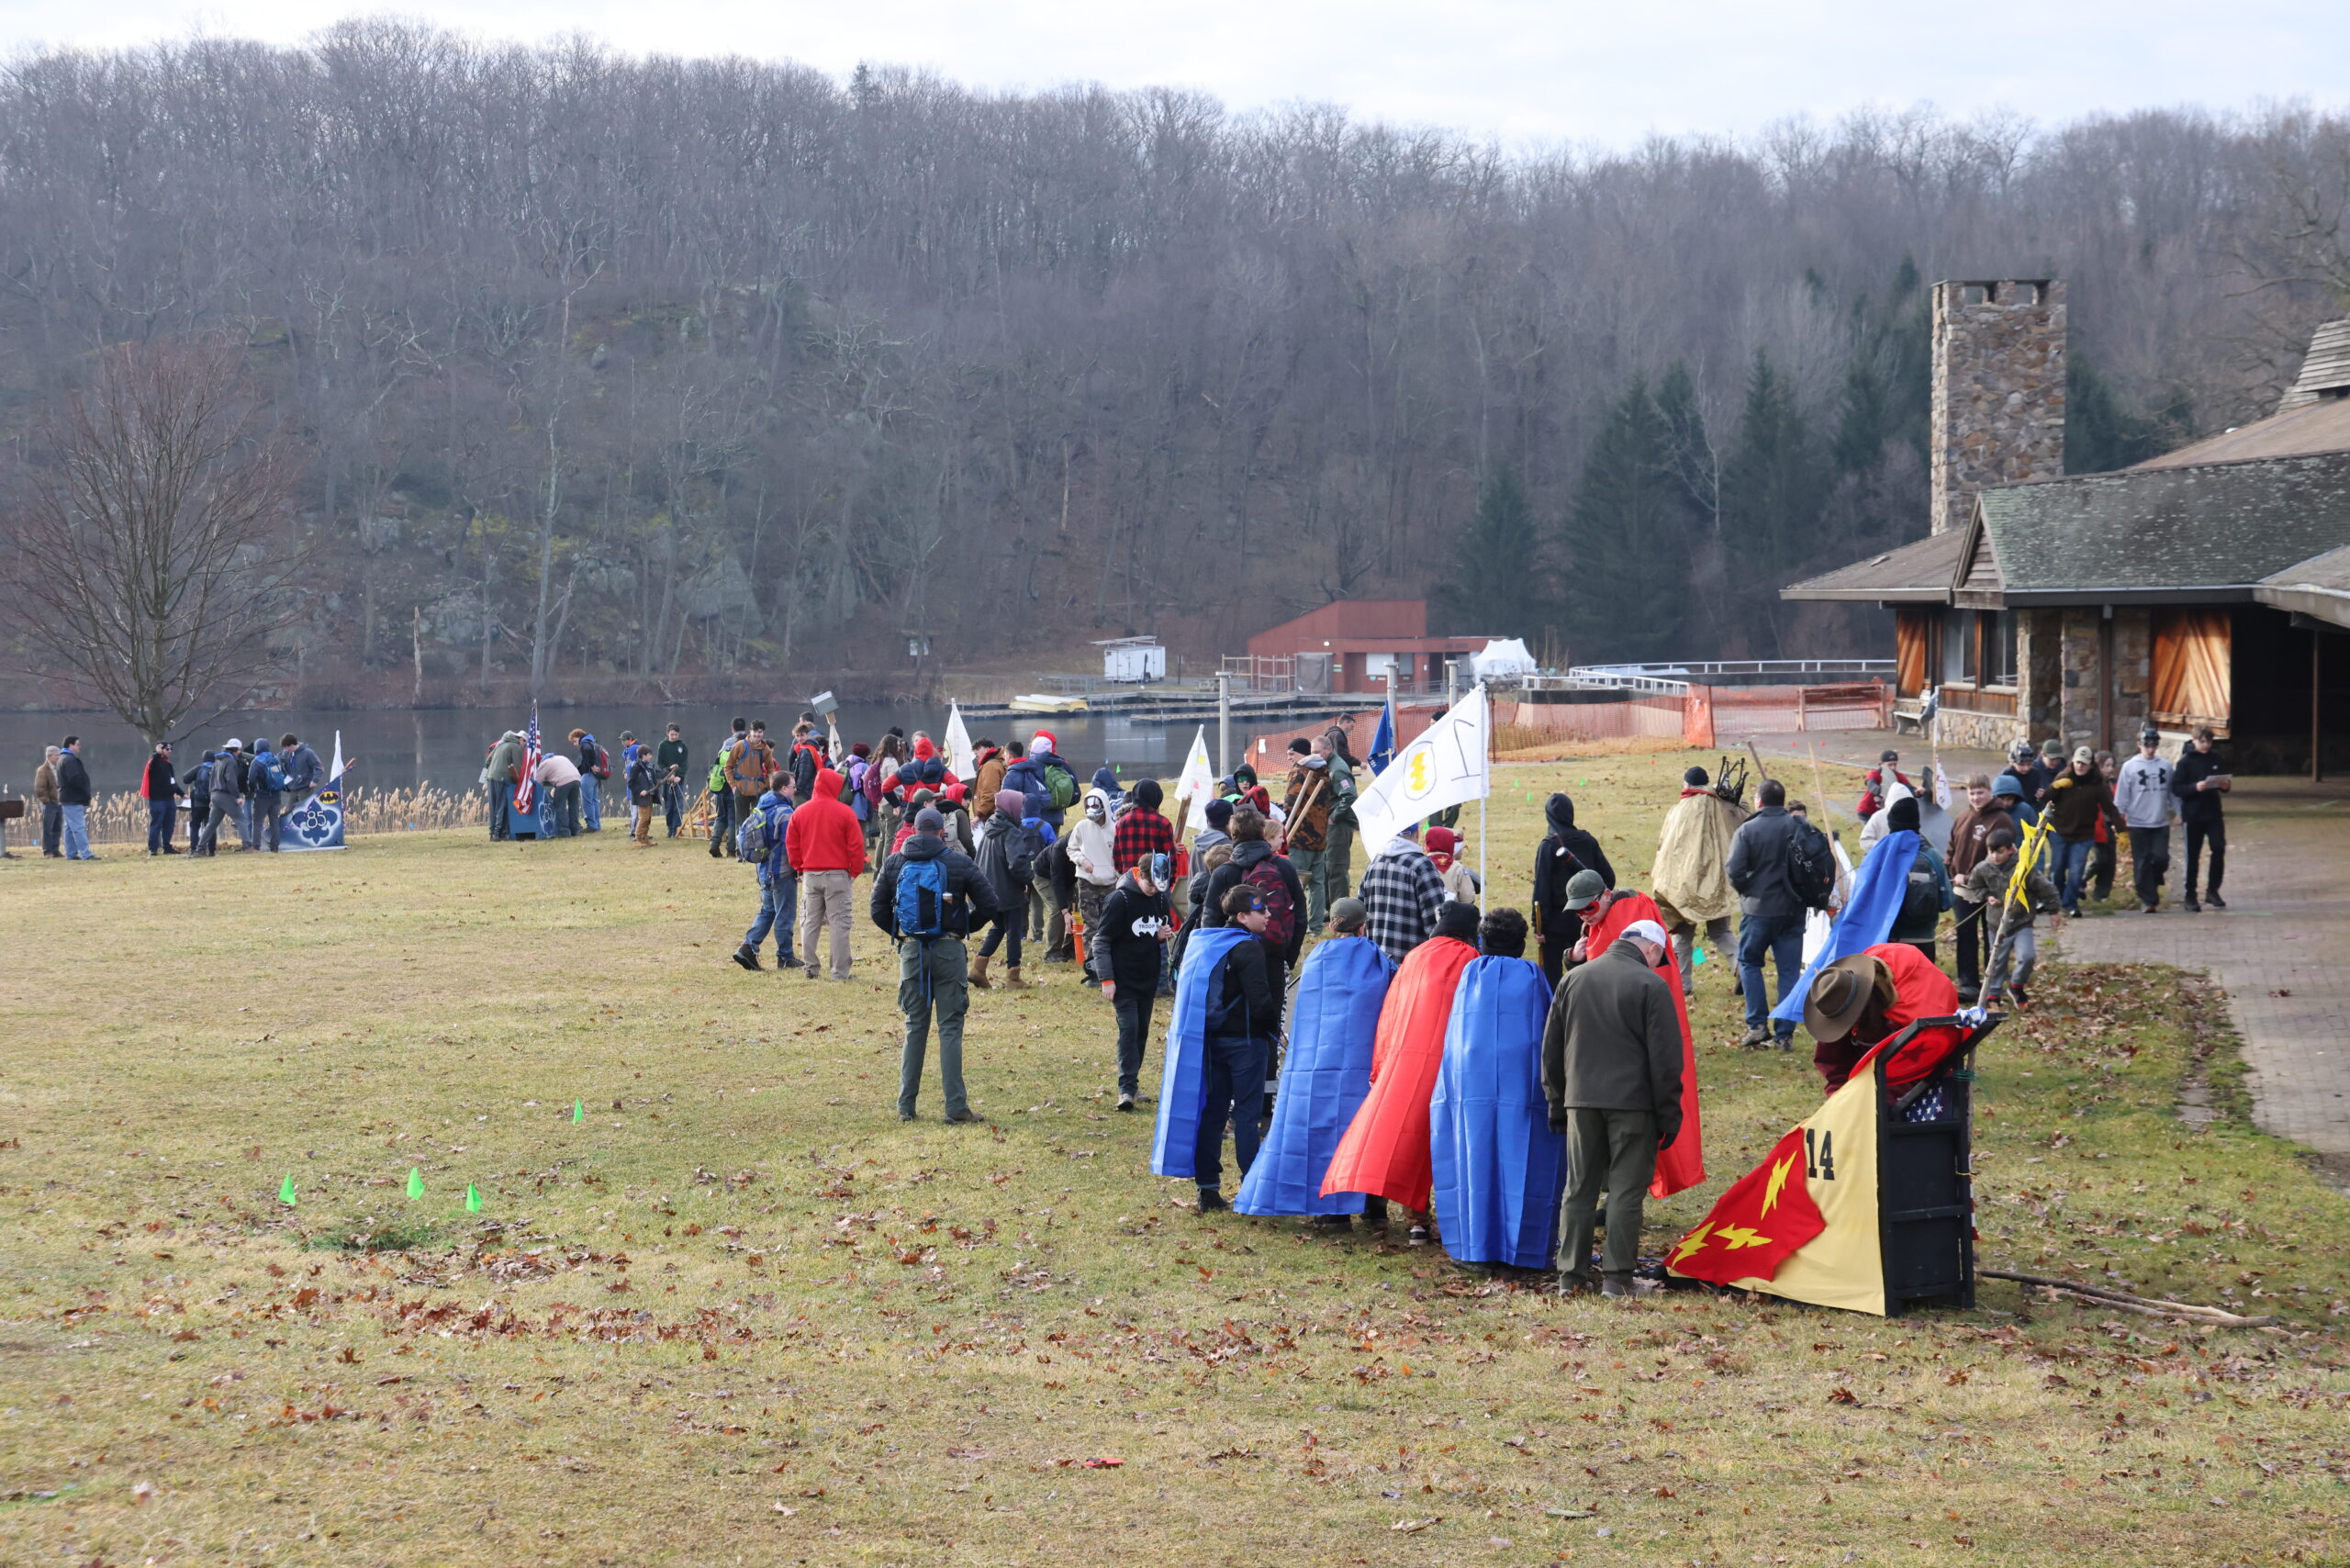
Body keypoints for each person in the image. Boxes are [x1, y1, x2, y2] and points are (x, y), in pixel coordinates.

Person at [1320, 901, 1483, 1244]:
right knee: (1450, 1143)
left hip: (1406, 1058)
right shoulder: (1470, 960)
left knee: (1407, 1137)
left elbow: (1392, 1009)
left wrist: (1381, 1062)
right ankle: (1454, 1223)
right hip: (1452, 1062)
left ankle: (1416, 1220)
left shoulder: (1417, 956)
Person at [1234, 896, 1393, 1222]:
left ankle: (1328, 1209)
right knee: (1366, 1133)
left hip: (1316, 1064)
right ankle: (1372, 1206)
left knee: (1319, 1133)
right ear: (1364, 926)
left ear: (1332, 925)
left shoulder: (1318, 958)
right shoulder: (1377, 961)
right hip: (1361, 1068)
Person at [1544, 917, 1682, 1297]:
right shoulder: (1651, 985)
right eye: (1660, 958)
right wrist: (1669, 1115)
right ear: (1652, 949)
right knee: (1624, 1191)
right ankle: (1617, 1279)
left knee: (1578, 1189)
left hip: (1580, 1101)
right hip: (1633, 1106)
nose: (1658, 965)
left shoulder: (1574, 979)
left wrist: (1557, 1103)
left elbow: (1551, 1049)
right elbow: (1667, 1061)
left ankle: (1570, 1277)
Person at [1428, 908, 1563, 1271]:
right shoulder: (1534, 978)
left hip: (1471, 1084)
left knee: (1475, 1160)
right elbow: (1549, 1036)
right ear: (1521, 944)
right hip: (1523, 1085)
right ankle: (1524, 1249)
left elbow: (1455, 1036)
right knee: (1526, 1158)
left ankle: (1475, 1246)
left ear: (1483, 941)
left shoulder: (1471, 974)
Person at [1155, 885, 1285, 1213]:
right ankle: (1251, 1188)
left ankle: (1207, 1189)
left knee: (1212, 1114)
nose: (1268, 915)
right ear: (1242, 916)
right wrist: (1274, 1030)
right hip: (1246, 1044)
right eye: (1261, 911)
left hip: (1209, 1042)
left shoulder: (1204, 942)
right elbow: (1261, 1002)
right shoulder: (1249, 949)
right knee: (1246, 1115)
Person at [871, 806, 998, 1124]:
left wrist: (901, 935)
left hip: (913, 951)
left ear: (914, 829)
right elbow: (991, 904)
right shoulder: (958, 861)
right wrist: (966, 924)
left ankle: (906, 1107)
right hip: (949, 951)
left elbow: (876, 909)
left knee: (915, 1026)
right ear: (942, 831)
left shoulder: (895, 861)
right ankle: (955, 1107)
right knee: (951, 1028)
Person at [1802, 943, 1964, 1093]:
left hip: (1918, 1078)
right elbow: (1835, 1067)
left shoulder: (1919, 1005)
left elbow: (1926, 1061)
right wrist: (1842, 1100)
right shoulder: (1838, 997)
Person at [1726, 778, 1808, 1049]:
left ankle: (1757, 1025)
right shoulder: (1799, 828)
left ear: (1759, 800)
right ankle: (1785, 1034)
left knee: (1749, 962)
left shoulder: (1748, 830)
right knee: (1788, 972)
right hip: (1793, 909)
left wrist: (1748, 890)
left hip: (1758, 910)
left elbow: (1734, 871)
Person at [1650, 766, 1745, 996]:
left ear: (1686, 785)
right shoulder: (1724, 806)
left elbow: (1665, 847)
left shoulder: (1677, 811)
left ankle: (1682, 986)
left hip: (1683, 887)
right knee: (1720, 932)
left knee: (1682, 935)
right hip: (1719, 885)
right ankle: (1742, 966)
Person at [1098, 852, 1176, 1110]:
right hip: (1123, 979)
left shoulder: (1161, 898)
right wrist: (1107, 979)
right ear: (1140, 875)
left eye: (1159, 886)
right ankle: (1126, 1090)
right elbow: (1102, 940)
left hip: (1148, 978)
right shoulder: (1119, 900)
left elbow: (1145, 936)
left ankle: (1132, 1083)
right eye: (1150, 885)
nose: (1154, 891)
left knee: (1141, 1033)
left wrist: (1159, 936)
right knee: (1129, 1030)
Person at [1964, 827, 2063, 1010]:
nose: (1995, 856)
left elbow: (2046, 888)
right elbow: (1974, 887)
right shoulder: (1983, 868)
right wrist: (1987, 896)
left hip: (2021, 921)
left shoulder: (2023, 867)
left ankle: (2016, 986)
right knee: (1997, 960)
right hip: (1996, 923)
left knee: (2027, 956)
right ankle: (1993, 993)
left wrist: (2053, 910)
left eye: (2000, 852)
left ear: (2010, 850)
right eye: (1991, 852)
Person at [786, 764, 867, 981]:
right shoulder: (845, 813)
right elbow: (857, 846)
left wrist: (799, 867)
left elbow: (792, 844)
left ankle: (810, 968)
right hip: (838, 875)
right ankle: (839, 972)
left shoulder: (800, 812)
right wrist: (855, 871)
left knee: (809, 922)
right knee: (839, 924)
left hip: (811, 875)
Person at [1530, 793, 1615, 986]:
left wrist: (1539, 925)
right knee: (1586, 966)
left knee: (1552, 974)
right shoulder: (1588, 840)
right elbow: (1608, 878)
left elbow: (1541, 888)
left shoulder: (1548, 846)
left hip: (1556, 922)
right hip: (1588, 915)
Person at [1944, 773, 2014, 1003]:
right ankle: (1968, 983)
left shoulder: (2000, 819)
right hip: (1962, 888)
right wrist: (1950, 870)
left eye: (1980, 792)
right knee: (1965, 934)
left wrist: (1974, 876)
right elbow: (1952, 846)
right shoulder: (1963, 816)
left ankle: (1992, 982)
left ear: (1989, 792)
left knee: (1992, 935)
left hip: (1990, 889)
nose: (1976, 797)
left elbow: (1998, 857)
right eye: (1972, 792)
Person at [969, 788, 1041, 990]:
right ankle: (1013, 976)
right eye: (1019, 805)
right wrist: (1027, 880)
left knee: (1000, 926)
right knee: (1014, 930)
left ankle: (978, 969)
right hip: (1008, 891)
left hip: (989, 890)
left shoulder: (991, 826)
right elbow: (1017, 863)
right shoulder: (1010, 831)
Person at [1359, 821, 1448, 968]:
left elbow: (1360, 912)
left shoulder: (1374, 863)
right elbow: (1436, 922)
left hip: (1376, 964)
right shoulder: (1422, 865)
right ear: (1417, 833)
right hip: (1410, 967)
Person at [730, 786, 798, 970]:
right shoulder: (784, 812)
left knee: (768, 911)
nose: (795, 789)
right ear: (784, 788)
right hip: (781, 872)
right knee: (785, 913)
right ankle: (785, 957)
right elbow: (789, 845)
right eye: (792, 785)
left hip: (764, 870)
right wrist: (797, 868)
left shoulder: (762, 806)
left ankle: (747, 948)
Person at [2111, 725, 2177, 913]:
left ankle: (2155, 880)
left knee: (2160, 858)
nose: (2150, 749)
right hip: (2137, 822)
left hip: (2160, 822)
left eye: (2154, 745)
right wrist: (2119, 821)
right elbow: (2122, 795)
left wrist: (2178, 811)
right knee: (2142, 861)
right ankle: (2148, 899)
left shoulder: (2165, 766)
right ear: (2139, 744)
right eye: (2147, 745)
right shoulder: (2130, 767)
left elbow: (2172, 793)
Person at [1879, 795, 1952, 960]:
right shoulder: (1931, 855)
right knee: (1923, 985)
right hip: (1924, 938)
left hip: (1890, 938)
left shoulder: (1882, 854)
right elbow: (1947, 901)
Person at [2043, 745, 2112, 916]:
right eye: (2077, 762)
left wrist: (2120, 828)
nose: (2080, 766)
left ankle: (2069, 904)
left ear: (2090, 765)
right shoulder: (2063, 777)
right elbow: (2046, 798)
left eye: (2084, 763)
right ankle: (2057, 900)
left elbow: (2109, 806)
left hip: (2083, 835)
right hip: (2060, 831)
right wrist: (2056, 786)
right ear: (2072, 762)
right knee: (2057, 868)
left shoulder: (2097, 784)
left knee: (2076, 871)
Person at [1277, 737, 1337, 930]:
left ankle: (1293, 923)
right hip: (1319, 837)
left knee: (1294, 882)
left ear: (1303, 753)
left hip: (1299, 838)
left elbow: (1290, 804)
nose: (1289, 758)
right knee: (1317, 884)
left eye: (1292, 754)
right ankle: (1316, 926)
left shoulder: (1299, 771)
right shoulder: (1324, 771)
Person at [2173, 724, 2230, 912]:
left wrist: (2224, 785)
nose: (2206, 745)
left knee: (2219, 847)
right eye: (2202, 741)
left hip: (2213, 813)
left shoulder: (2216, 758)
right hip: (2193, 814)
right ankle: (2190, 895)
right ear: (2195, 741)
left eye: (2209, 741)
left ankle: (2212, 890)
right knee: (2193, 855)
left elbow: (2225, 783)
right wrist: (2194, 788)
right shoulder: (2185, 762)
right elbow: (2177, 788)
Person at [1069, 786, 1121, 983]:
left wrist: (1116, 874)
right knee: (1091, 925)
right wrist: (1083, 862)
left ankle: (1110, 965)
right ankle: (1092, 969)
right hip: (1087, 880)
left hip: (1110, 882)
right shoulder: (1081, 827)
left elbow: (1119, 855)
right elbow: (1071, 849)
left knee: (1109, 925)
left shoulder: (1115, 829)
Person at [1316, 729, 1360, 929]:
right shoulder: (1326, 765)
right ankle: (1330, 909)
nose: (1314, 756)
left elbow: (1349, 795)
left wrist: (1335, 816)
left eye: (1317, 752)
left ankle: (1341, 911)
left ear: (1328, 750)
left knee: (1336, 867)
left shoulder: (1339, 769)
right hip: (1328, 824)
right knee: (1326, 866)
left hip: (1339, 824)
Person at [1111, 777, 1175, 873]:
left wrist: (1125, 874)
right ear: (1157, 797)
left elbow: (1117, 858)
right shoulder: (1163, 823)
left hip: (1129, 880)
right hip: (1154, 881)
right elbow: (1170, 860)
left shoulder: (1122, 822)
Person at [708, 718, 749, 857]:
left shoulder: (726, 744)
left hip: (720, 787)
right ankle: (731, 850)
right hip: (734, 788)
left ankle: (714, 845)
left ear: (732, 729)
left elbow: (717, 762)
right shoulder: (747, 745)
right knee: (733, 819)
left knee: (721, 817)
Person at [55, 736, 95, 859]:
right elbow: (75, 779)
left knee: (69, 827)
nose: (79, 747)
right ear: (70, 745)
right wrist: (83, 791)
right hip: (73, 798)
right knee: (78, 826)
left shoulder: (62, 758)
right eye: (77, 744)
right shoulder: (69, 760)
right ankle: (86, 854)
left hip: (67, 798)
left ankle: (71, 853)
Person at [140, 741, 182, 856]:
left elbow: (173, 782)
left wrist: (182, 794)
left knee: (169, 824)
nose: (170, 751)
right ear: (161, 750)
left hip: (169, 799)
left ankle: (167, 847)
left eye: (171, 749)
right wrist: (157, 754)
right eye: (167, 749)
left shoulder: (168, 764)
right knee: (157, 824)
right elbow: (151, 766)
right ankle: (153, 848)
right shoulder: (153, 761)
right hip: (157, 800)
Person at [535, 747, 585, 837]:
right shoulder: (561, 757)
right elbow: (557, 774)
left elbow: (537, 782)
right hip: (576, 779)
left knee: (559, 807)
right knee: (573, 806)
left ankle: (564, 832)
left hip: (563, 782)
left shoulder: (544, 764)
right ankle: (576, 830)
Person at [247, 736, 285, 852]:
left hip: (262, 795)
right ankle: (275, 846)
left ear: (256, 748)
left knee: (258, 821)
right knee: (274, 821)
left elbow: (252, 780)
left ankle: (256, 846)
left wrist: (252, 790)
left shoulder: (256, 762)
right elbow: (284, 773)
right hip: (276, 795)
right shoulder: (276, 758)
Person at [1426, 825, 1481, 902]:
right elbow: (1468, 898)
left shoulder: (1419, 865)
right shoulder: (1457, 867)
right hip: (1452, 913)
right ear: (1450, 842)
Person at [1856, 748, 1911, 820]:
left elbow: (1910, 789)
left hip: (1883, 814)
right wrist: (1890, 788)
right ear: (1881, 764)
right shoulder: (1874, 774)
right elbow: (1873, 788)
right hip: (1867, 813)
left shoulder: (1899, 776)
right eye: (1890, 765)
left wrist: (1918, 792)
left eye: (1895, 764)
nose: (1893, 768)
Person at [569, 730, 608, 832]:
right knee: (594, 801)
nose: (574, 744)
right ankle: (597, 825)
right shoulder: (592, 741)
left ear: (579, 736)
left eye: (574, 741)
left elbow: (586, 750)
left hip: (589, 776)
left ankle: (591, 825)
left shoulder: (584, 743)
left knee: (587, 801)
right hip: (596, 777)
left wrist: (591, 766)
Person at [655, 723, 689, 837]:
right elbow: (660, 762)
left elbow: (685, 763)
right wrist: (667, 773)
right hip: (667, 779)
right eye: (671, 734)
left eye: (675, 734)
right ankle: (670, 828)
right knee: (669, 806)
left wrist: (679, 775)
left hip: (679, 780)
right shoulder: (663, 745)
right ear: (667, 733)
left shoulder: (682, 746)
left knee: (678, 805)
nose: (674, 736)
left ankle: (677, 829)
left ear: (678, 734)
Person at [181, 747, 216, 855]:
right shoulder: (217, 768)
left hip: (198, 803)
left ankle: (194, 849)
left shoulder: (199, 768)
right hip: (213, 802)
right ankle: (211, 851)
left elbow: (185, 779)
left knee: (195, 825)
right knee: (210, 826)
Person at [625, 745, 661, 846]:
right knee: (643, 818)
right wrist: (640, 791)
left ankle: (645, 838)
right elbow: (631, 783)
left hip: (650, 795)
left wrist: (669, 770)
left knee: (648, 818)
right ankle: (638, 839)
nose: (650, 757)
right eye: (649, 755)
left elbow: (657, 774)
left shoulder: (649, 766)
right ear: (643, 755)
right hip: (641, 797)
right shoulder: (636, 767)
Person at [34, 745, 62, 857]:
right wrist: (47, 801)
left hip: (59, 803)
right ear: (49, 756)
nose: (58, 758)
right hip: (49, 804)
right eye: (56, 756)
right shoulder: (42, 770)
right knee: (48, 828)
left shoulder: (59, 768)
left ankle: (55, 850)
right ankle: (48, 851)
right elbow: (39, 789)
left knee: (57, 828)